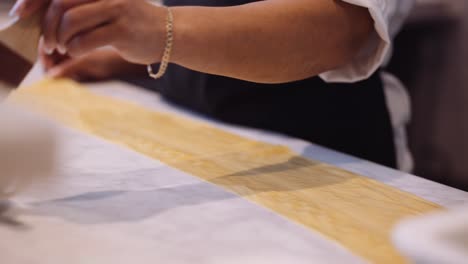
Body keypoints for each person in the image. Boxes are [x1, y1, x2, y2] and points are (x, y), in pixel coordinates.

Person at [11, 0, 414, 170]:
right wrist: (114, 50)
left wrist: (155, 28)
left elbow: (340, 30)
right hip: (197, 139)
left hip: (326, 163)